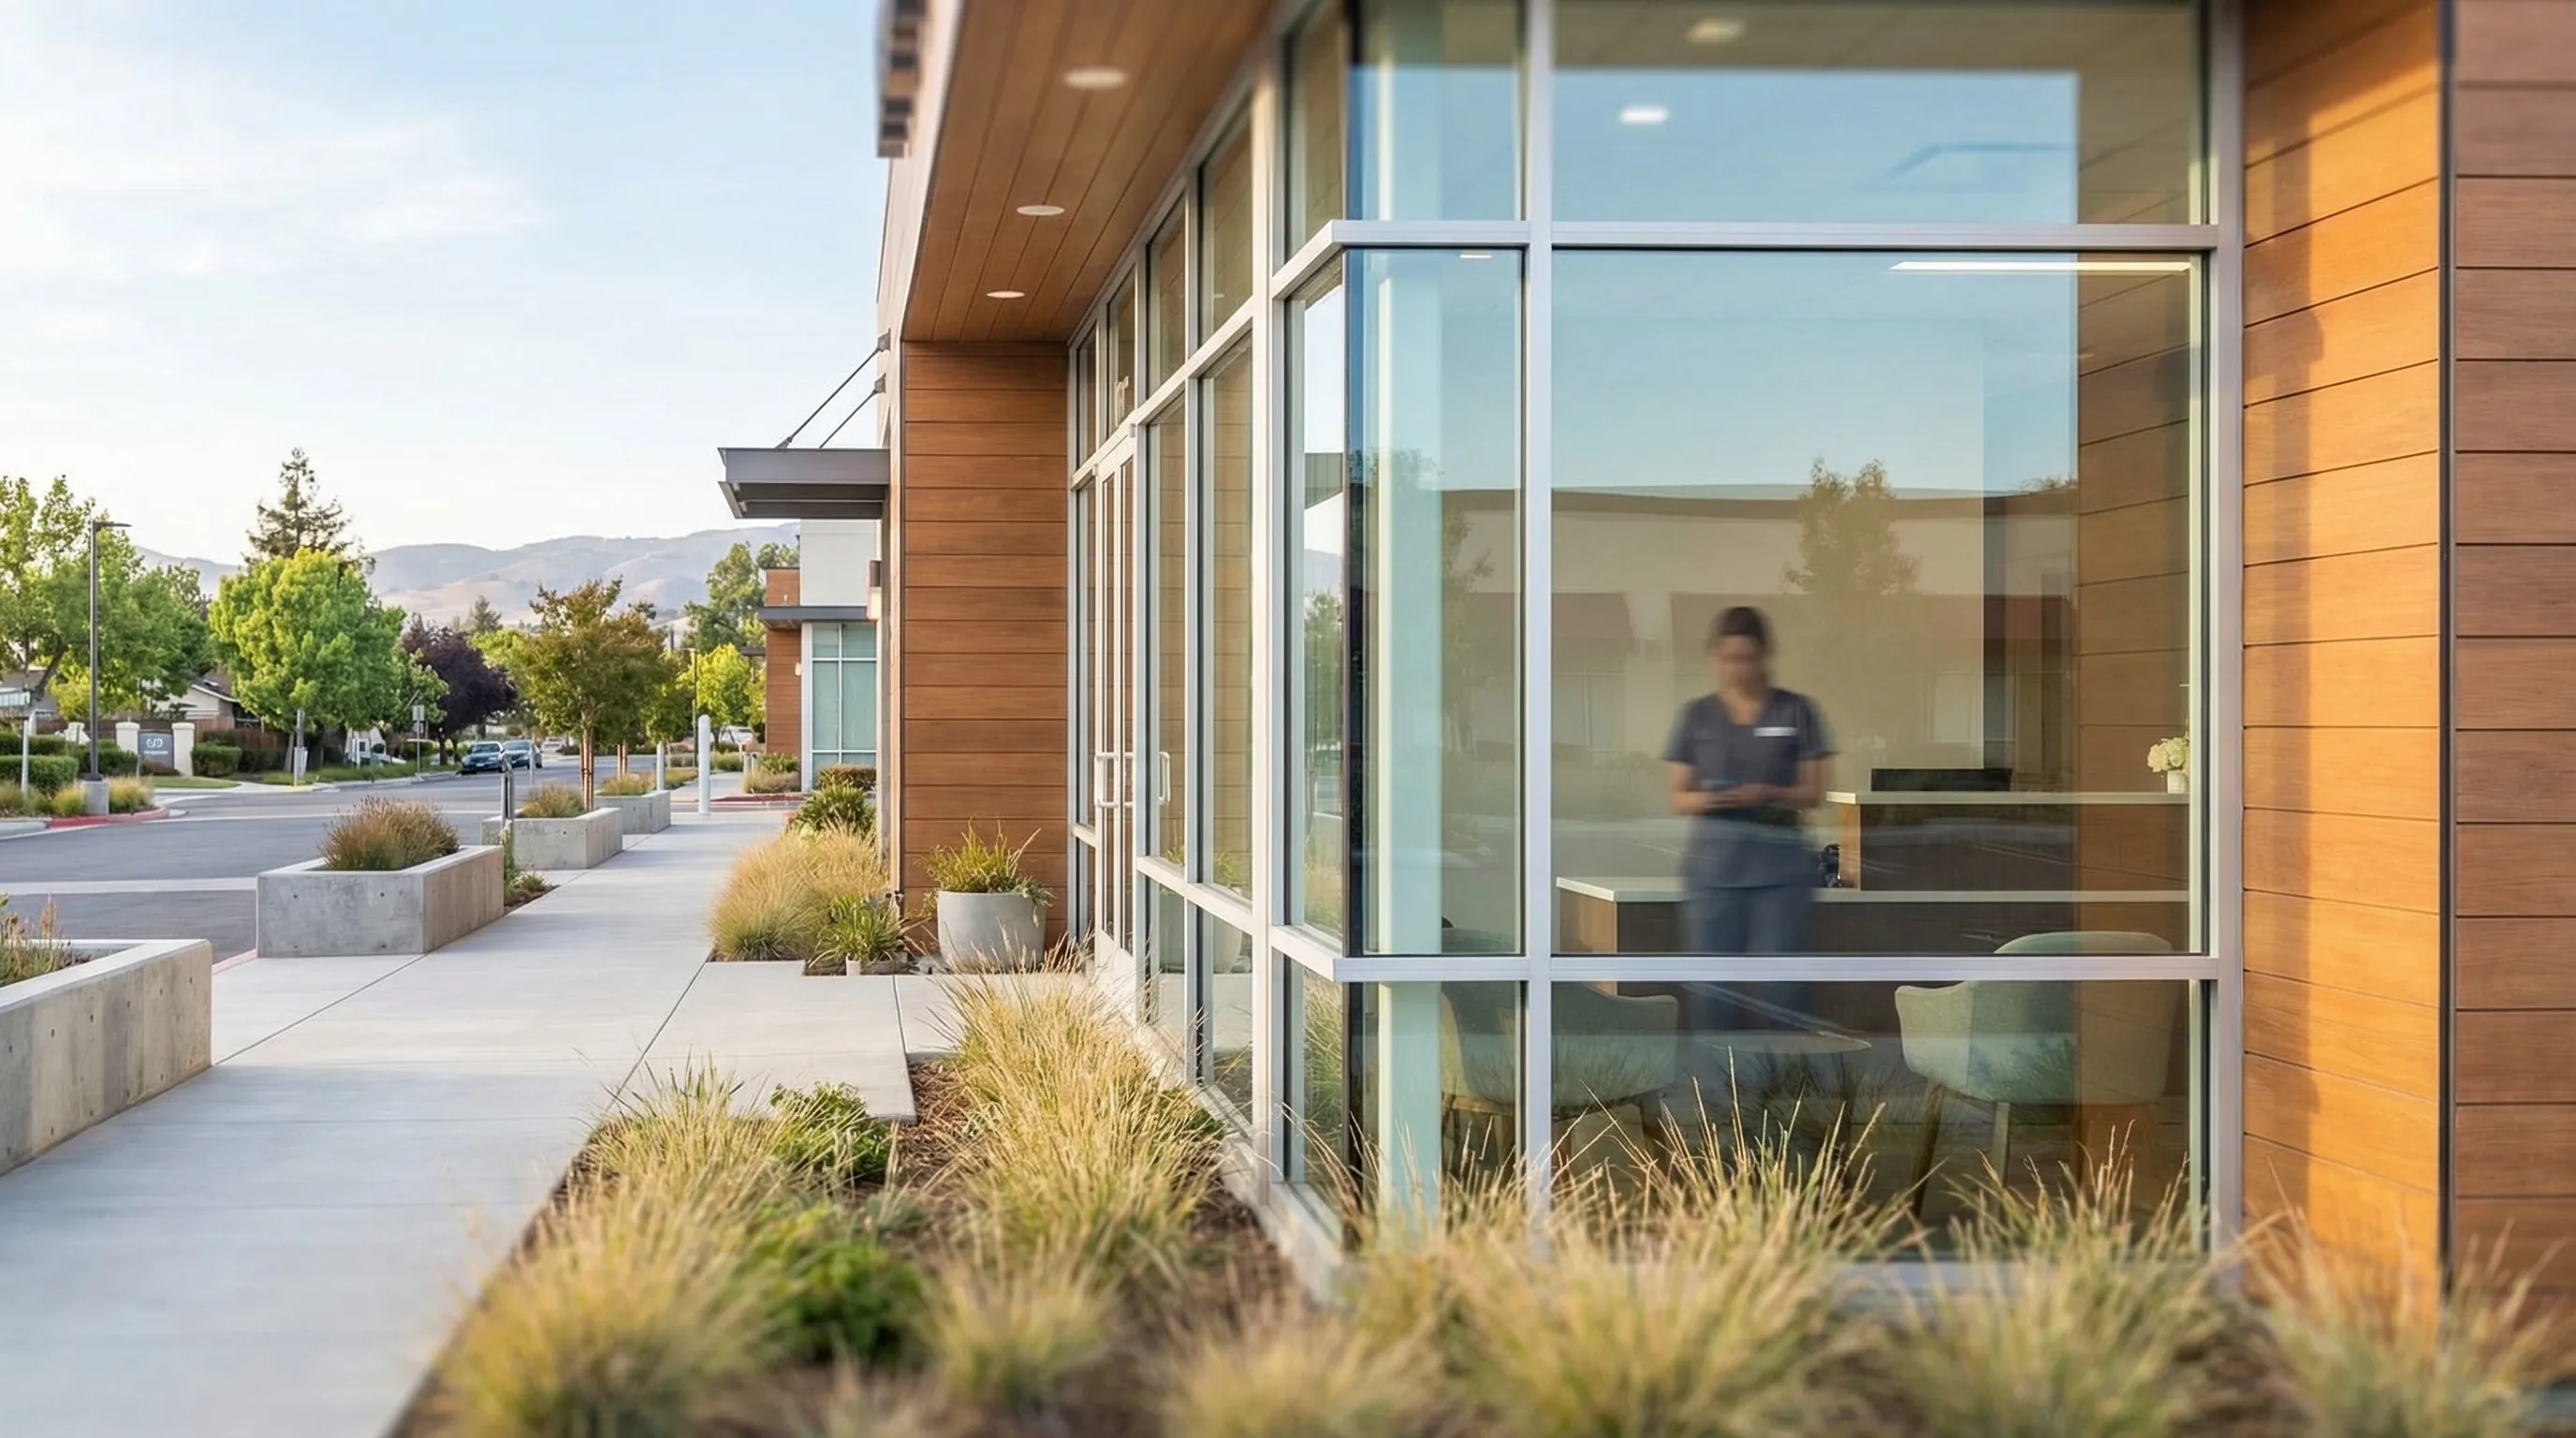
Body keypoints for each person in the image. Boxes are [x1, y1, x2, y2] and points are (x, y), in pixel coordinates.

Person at [1663, 607, 1834, 1020]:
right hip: (1714, 873)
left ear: (1765, 656)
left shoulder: (1796, 712)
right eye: (1729, 659)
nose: (1739, 668)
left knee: (1782, 987)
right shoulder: (1697, 716)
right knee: (1713, 990)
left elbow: (1815, 791)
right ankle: (1718, 1082)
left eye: (1748, 658)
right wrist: (1722, 798)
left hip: (1780, 872)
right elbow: (1679, 797)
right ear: (1715, 659)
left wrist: (1768, 792)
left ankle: (1784, 1082)